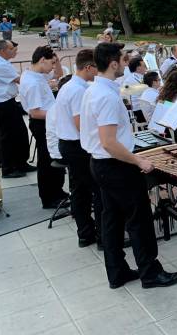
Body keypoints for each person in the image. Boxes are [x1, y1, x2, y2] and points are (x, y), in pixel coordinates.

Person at [81, 42, 177, 289]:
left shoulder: (94, 90)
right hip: (116, 166)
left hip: (102, 164)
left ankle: (117, 272)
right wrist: (139, 160)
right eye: (123, 60)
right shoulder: (105, 95)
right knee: (139, 219)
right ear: (114, 63)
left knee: (112, 220)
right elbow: (108, 142)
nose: (125, 64)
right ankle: (150, 272)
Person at [56, 49, 101, 247]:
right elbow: (81, 124)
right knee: (96, 190)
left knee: (80, 191)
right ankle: (100, 235)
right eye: (96, 68)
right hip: (76, 146)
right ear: (89, 67)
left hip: (69, 144)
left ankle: (86, 233)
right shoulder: (78, 90)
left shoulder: (71, 85)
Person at [20, 46, 68, 208]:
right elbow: (35, 113)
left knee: (54, 156)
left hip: (49, 121)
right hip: (43, 123)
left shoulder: (36, 74)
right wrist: (60, 115)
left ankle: (58, 191)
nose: (53, 67)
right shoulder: (32, 82)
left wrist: (57, 59)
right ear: (42, 60)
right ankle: (49, 197)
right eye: (51, 63)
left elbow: (58, 74)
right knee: (47, 161)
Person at [0, 40, 35, 178]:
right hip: (2, 104)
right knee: (10, 136)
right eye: (12, 48)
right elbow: (20, 80)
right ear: (3, 50)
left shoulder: (0, 61)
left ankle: (14, 162)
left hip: (2, 102)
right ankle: (9, 168)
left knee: (7, 134)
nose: (15, 51)